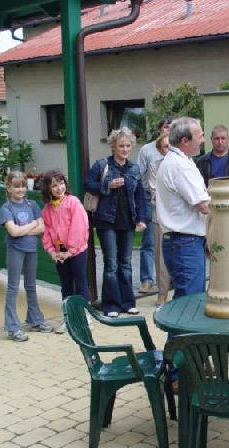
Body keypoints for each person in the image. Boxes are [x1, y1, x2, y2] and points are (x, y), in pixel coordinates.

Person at [84, 127, 150, 317]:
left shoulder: (134, 168)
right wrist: (107, 185)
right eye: (121, 146)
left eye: (128, 145)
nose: (125, 149)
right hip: (106, 221)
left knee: (126, 263)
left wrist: (142, 219)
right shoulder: (102, 165)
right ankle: (111, 305)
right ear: (113, 146)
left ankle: (128, 303)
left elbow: (140, 196)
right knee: (111, 264)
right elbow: (87, 184)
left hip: (127, 221)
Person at [156, 117, 210, 300]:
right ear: (185, 140)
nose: (203, 140)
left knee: (189, 300)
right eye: (200, 136)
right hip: (185, 243)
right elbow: (204, 205)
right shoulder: (179, 166)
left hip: (184, 242)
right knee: (189, 302)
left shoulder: (182, 161)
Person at [0, 171, 52, 342]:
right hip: (15, 250)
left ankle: (35, 320)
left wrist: (22, 229)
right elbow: (13, 232)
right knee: (13, 287)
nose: (20, 189)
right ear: (9, 188)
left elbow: (42, 228)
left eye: (22, 186)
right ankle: (12, 327)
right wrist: (32, 224)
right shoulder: (6, 208)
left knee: (31, 285)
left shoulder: (32, 205)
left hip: (31, 249)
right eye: (16, 186)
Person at [42, 169, 90, 333]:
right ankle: (69, 317)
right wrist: (52, 251)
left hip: (77, 251)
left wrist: (70, 251)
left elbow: (79, 227)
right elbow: (47, 232)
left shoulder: (73, 202)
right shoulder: (47, 209)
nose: (59, 188)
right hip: (59, 253)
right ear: (48, 189)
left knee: (80, 282)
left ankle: (85, 317)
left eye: (61, 183)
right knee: (66, 285)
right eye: (54, 186)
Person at [137, 117, 171, 296]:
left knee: (168, 241)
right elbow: (139, 173)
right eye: (166, 127)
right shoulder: (147, 150)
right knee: (149, 241)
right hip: (149, 197)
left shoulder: (177, 150)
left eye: (172, 127)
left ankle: (167, 279)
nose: (168, 130)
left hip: (170, 201)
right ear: (160, 129)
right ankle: (146, 279)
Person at [144, 133, 171, 308]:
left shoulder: (186, 164)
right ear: (160, 150)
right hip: (161, 218)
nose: (169, 150)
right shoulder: (155, 167)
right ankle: (162, 294)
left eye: (171, 146)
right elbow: (155, 195)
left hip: (182, 218)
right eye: (165, 147)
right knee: (161, 257)